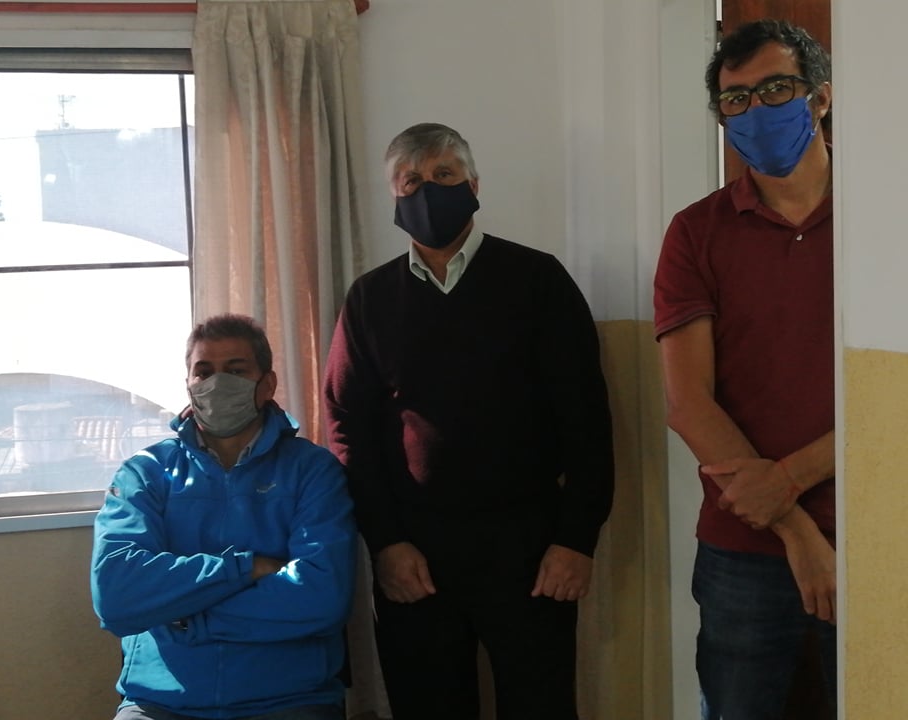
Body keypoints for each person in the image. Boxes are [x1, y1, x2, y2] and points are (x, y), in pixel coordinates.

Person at [323, 122, 614, 720]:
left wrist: (575, 540)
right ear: (394, 197)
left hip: (530, 548)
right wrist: (386, 543)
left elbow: (586, 417)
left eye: (444, 175)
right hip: (416, 553)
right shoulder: (369, 299)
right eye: (411, 181)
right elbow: (347, 428)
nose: (428, 189)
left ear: (474, 185)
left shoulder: (539, 280)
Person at [653, 19, 836, 719]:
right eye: (736, 100)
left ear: (820, 97)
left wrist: (787, 481)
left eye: (777, 89)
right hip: (743, 547)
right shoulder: (695, 232)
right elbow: (687, 403)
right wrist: (793, 526)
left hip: (878, 521)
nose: (756, 110)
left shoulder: (888, 213)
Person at [91, 313, 357, 720]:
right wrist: (245, 568)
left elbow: (321, 596)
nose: (217, 383)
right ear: (188, 384)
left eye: (235, 370)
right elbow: (116, 595)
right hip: (160, 702)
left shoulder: (312, 470)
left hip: (289, 698)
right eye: (204, 372)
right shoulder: (145, 473)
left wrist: (188, 617)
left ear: (267, 384)